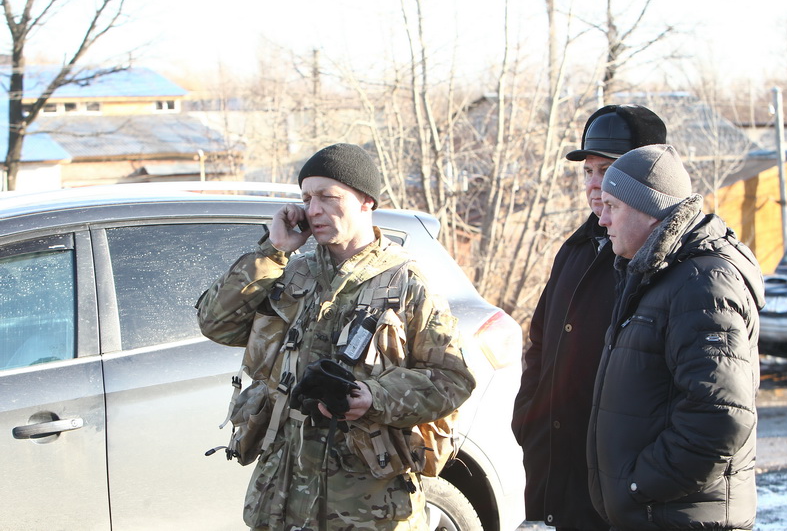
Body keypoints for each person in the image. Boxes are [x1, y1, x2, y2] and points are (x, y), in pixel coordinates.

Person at [197, 143, 476, 530]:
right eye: (306, 198)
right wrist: (273, 250)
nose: (313, 210)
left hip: (366, 505)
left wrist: (373, 397)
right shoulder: (292, 273)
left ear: (366, 201)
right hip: (283, 496)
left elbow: (453, 379)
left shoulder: (406, 283)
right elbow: (216, 323)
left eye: (328, 197)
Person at [587, 144, 764, 530]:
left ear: (650, 211)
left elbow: (721, 417)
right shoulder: (655, 274)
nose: (603, 219)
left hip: (680, 516)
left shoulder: (702, 284)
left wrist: (639, 486)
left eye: (613, 206)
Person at [511, 104, 667, 531]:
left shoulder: (667, 264)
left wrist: (642, 479)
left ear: (649, 177)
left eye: (609, 170)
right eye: (589, 172)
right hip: (561, 482)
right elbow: (540, 344)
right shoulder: (576, 249)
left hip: (628, 495)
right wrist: (529, 420)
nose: (596, 185)